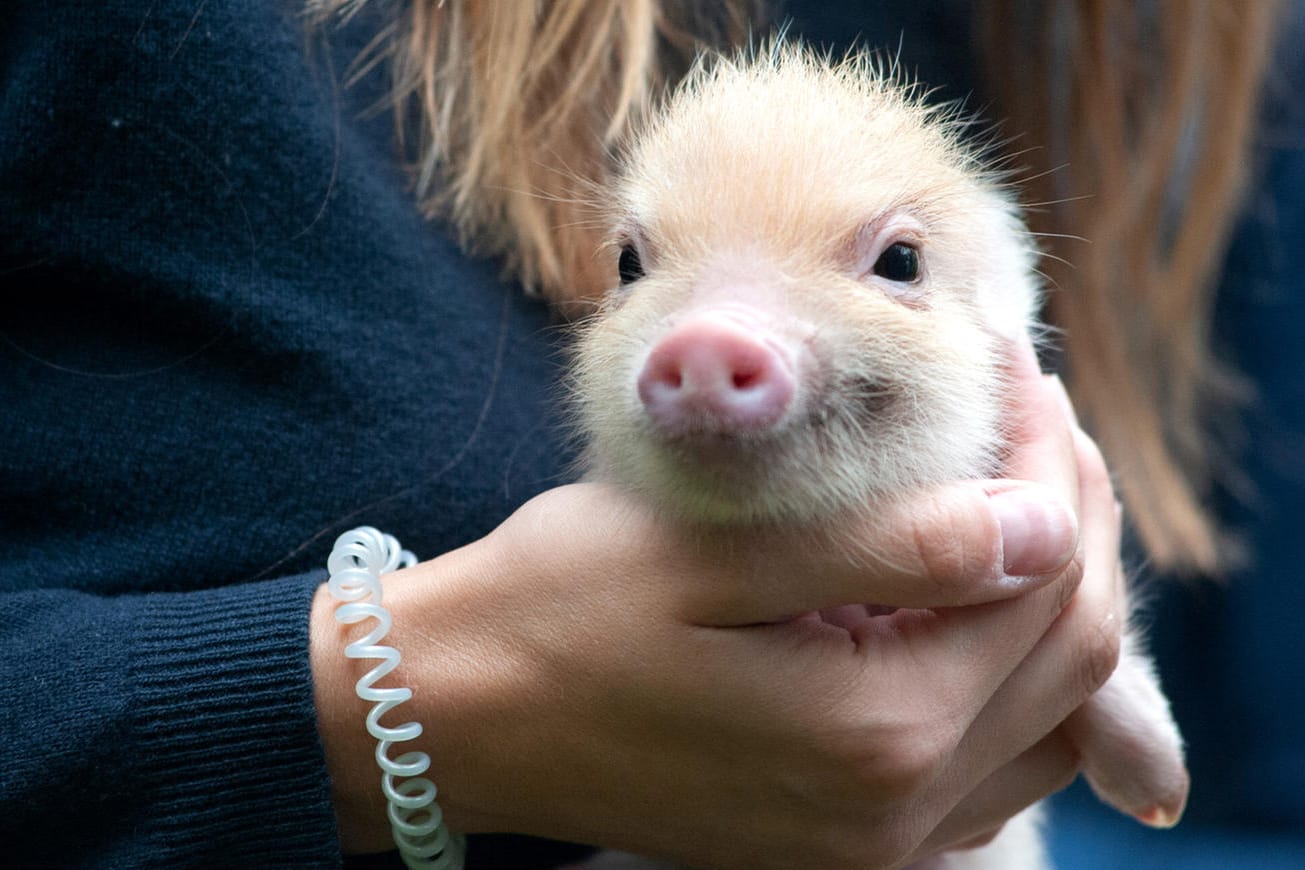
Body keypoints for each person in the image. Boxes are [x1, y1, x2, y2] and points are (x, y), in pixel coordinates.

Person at [0, 3, 1284, 870]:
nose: (716, 334)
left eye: (887, 264)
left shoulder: (1119, 47)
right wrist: (414, 707)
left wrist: (1083, 650)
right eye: (637, 268)